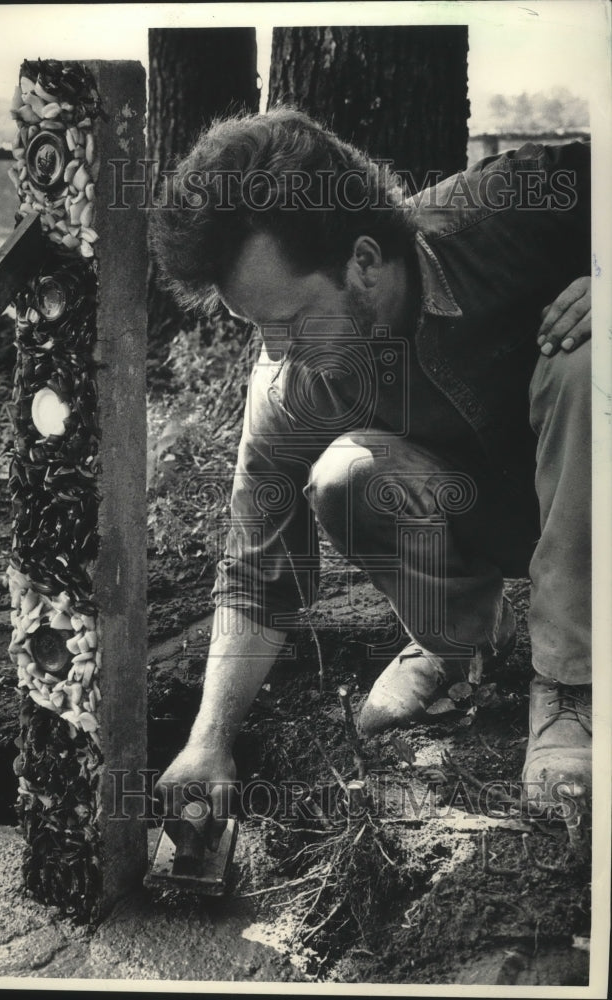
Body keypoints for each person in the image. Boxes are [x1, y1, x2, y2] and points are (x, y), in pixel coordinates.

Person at [148, 108, 591, 826]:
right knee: (345, 475)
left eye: (291, 321)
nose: (277, 350)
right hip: (505, 514)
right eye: (256, 328)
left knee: (590, 363)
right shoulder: (287, 379)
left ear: (362, 262)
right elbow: (259, 577)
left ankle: (576, 687)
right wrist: (209, 741)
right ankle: (453, 648)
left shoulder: (517, 202)